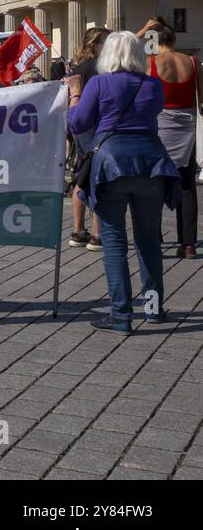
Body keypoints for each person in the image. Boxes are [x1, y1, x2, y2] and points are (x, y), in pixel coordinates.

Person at [67, 31, 180, 332]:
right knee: (149, 242)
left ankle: (121, 315)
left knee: (115, 243)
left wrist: (75, 95)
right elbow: (152, 113)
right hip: (150, 163)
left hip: (111, 165)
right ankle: (154, 309)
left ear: (108, 55)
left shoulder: (100, 83)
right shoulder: (153, 84)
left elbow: (78, 123)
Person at [137, 18, 202, 258]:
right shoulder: (193, 62)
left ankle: (153, 237)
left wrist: (143, 31)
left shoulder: (151, 63)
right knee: (187, 186)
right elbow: (201, 100)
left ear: (156, 42)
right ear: (174, 40)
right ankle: (188, 244)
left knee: (154, 183)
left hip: (159, 126)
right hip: (187, 126)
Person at [68, 26, 110, 250]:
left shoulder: (77, 66)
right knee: (97, 178)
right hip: (96, 126)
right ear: (95, 43)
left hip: (79, 124)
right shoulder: (100, 68)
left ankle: (77, 230)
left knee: (81, 175)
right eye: (106, 41)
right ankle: (97, 234)